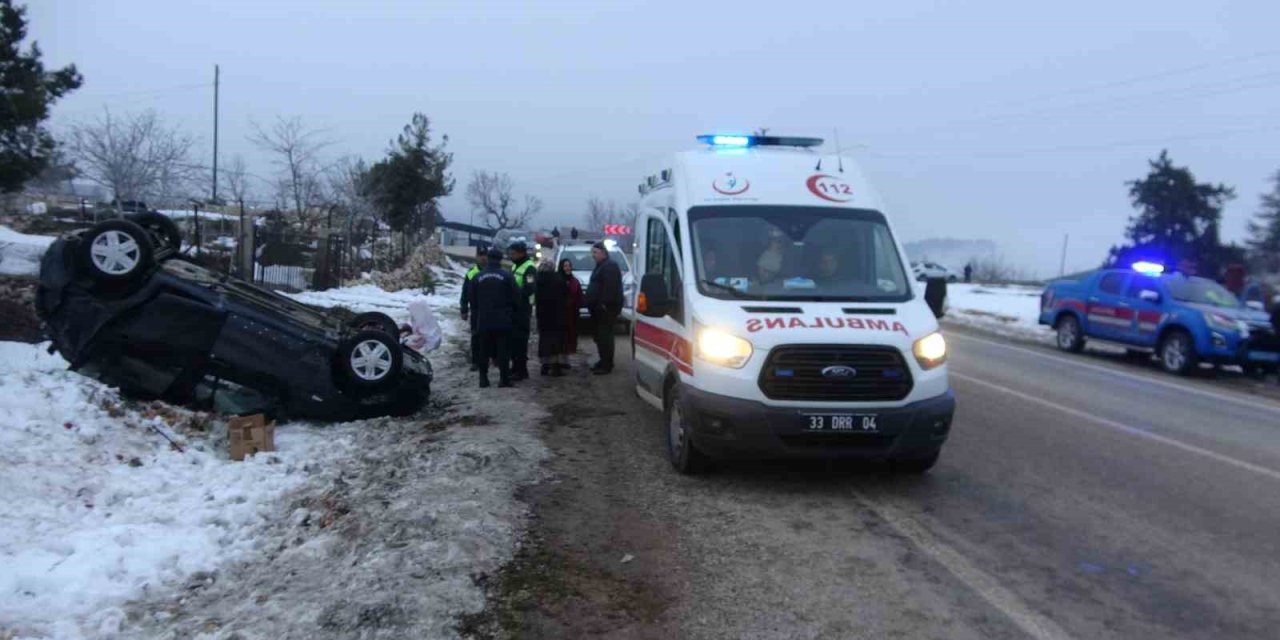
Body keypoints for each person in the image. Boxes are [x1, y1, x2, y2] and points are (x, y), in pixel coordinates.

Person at [473, 248, 518, 388]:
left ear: (488, 258)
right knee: (502, 350)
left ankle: (483, 379)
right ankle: (504, 379)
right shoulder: (507, 276)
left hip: (484, 319)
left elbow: (472, 298)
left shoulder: (478, 276)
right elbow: (517, 296)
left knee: (484, 350)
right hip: (502, 319)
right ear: (500, 259)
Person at [585, 241, 623, 374]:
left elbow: (610, 288)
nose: (593, 255)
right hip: (598, 309)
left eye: (595, 252)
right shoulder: (601, 265)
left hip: (606, 310)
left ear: (603, 253)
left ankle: (607, 365)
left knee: (605, 337)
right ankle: (603, 360)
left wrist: (604, 305)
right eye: (592, 252)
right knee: (599, 337)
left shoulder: (609, 266)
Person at [507, 241, 536, 381]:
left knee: (520, 341)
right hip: (513, 309)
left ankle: (522, 370)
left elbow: (529, 288)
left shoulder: (529, 268)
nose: (511, 256)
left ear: (521, 253)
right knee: (513, 341)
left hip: (523, 310)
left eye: (513, 253)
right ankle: (515, 367)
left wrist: (513, 295)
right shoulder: (515, 266)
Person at [535, 260, 569, 376]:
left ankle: (544, 365)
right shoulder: (558, 280)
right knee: (556, 341)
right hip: (556, 315)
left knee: (544, 339)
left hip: (542, 315)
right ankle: (555, 367)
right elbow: (565, 293)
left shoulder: (537, 279)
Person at [459, 245, 488, 371]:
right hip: (476, 309)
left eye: (485, 255)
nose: (483, 258)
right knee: (476, 336)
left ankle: (492, 358)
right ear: (476, 257)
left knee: (492, 335)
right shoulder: (471, 273)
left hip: (491, 309)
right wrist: (464, 309)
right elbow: (465, 292)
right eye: (480, 255)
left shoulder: (492, 271)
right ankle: (476, 361)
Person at [560, 258, 583, 354]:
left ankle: (571, 348)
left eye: (569, 266)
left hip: (573, 312)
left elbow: (579, 295)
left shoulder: (575, 281)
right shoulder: (558, 280)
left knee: (572, 332)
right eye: (565, 266)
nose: (568, 268)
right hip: (561, 313)